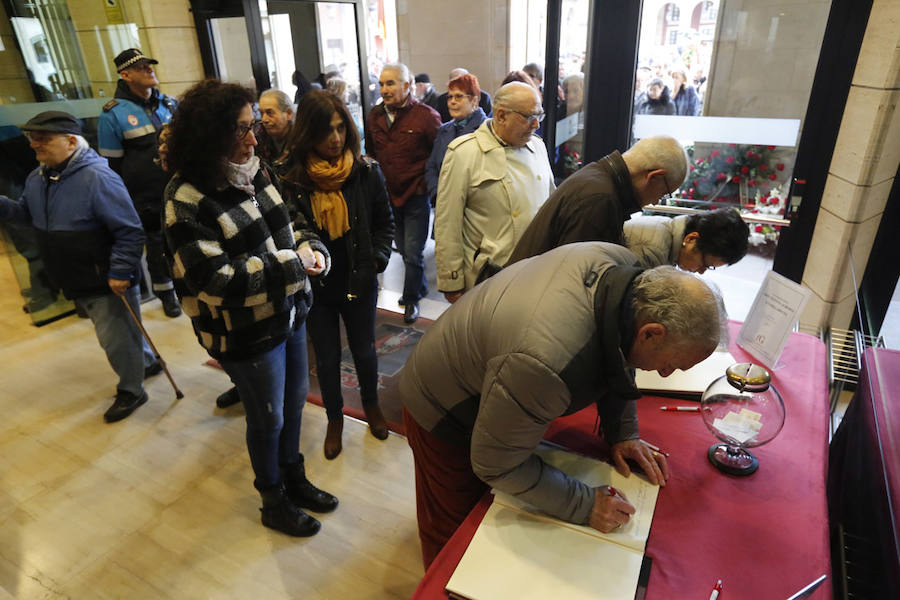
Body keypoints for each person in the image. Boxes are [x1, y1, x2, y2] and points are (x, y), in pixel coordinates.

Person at [400, 241, 725, 567]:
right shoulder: (545, 363)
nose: (666, 374)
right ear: (651, 334)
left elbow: (618, 352)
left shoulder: (626, 275)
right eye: (672, 364)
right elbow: (496, 464)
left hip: (491, 365)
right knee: (455, 531)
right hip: (441, 404)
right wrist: (585, 505)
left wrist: (623, 431)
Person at [163, 80, 337, 537]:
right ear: (211, 134)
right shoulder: (185, 198)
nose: (254, 139)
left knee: (295, 403)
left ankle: (294, 477)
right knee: (268, 416)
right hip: (245, 331)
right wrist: (293, 264)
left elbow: (294, 222)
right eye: (242, 130)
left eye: (254, 126)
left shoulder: (256, 170)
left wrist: (313, 249)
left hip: (290, 313)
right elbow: (215, 280)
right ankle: (272, 500)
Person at [0, 111, 157, 423]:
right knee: (124, 332)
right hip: (74, 275)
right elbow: (25, 216)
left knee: (114, 339)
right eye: (32, 138)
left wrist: (120, 272)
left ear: (71, 141)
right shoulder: (39, 177)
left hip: (105, 278)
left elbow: (129, 230)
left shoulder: (98, 177)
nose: (34, 145)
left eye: (43, 139)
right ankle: (146, 362)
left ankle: (132, 389)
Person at [280, 90, 395, 460]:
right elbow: (287, 232)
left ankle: (372, 406)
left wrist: (376, 261)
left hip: (358, 277)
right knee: (327, 358)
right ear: (307, 133)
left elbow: (384, 223)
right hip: (317, 286)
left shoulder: (366, 171)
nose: (335, 138)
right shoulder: (293, 178)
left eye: (340, 128)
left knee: (364, 350)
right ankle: (335, 418)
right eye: (325, 130)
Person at [434, 82, 555, 301]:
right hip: (488, 276)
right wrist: (451, 282)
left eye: (540, 115)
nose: (536, 124)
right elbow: (447, 223)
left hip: (535, 271)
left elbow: (551, 205)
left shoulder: (538, 147)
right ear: (501, 116)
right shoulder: (464, 153)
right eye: (528, 117)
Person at [507, 135, 687, 265]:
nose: (656, 202)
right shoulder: (600, 200)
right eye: (664, 194)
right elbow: (572, 282)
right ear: (654, 177)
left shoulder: (599, 178)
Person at [97, 48, 181, 318]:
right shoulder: (113, 114)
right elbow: (111, 167)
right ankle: (165, 292)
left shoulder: (169, 104)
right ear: (126, 75)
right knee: (157, 245)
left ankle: (183, 285)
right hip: (144, 195)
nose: (150, 70)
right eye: (142, 67)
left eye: (150, 66)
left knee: (181, 238)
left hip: (177, 188)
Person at [365, 62, 441, 323]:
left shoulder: (427, 116)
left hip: (416, 195)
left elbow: (439, 157)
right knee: (401, 247)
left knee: (412, 251)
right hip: (388, 195)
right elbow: (371, 153)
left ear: (407, 86)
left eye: (391, 83)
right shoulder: (374, 116)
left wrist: (428, 186)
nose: (384, 89)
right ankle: (418, 287)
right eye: (382, 84)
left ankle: (411, 300)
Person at [424, 73, 487, 204]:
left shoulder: (486, 130)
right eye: (450, 97)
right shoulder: (444, 129)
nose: (452, 101)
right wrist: (437, 193)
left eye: (459, 96)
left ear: (474, 100)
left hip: (474, 207)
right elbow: (431, 166)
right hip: (444, 202)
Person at [624, 209, 750, 272]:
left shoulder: (668, 233)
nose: (701, 272)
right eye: (704, 265)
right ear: (691, 239)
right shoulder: (653, 250)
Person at [256, 88, 294, 164]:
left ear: (289, 114)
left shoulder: (301, 141)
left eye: (270, 113)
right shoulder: (258, 139)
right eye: (261, 113)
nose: (264, 119)